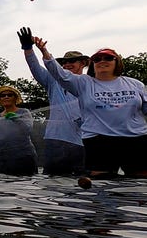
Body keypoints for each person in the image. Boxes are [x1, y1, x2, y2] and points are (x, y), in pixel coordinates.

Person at [35, 39, 147, 179]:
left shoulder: (135, 84)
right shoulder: (83, 83)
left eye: (108, 58)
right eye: (97, 59)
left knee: (139, 184)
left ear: (117, 62)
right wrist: (44, 52)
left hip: (135, 139)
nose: (102, 61)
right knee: (102, 185)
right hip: (99, 141)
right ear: (93, 64)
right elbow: (59, 74)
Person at [18, 27, 86, 175]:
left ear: (83, 63)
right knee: (53, 183)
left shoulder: (89, 83)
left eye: (72, 61)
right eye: (64, 62)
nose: (67, 64)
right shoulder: (53, 80)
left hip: (82, 142)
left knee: (81, 184)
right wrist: (28, 49)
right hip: (55, 139)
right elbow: (35, 67)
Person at [0, 85, 38, 175]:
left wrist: (17, 119)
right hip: (2, 158)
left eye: (9, 95)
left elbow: (28, 129)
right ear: (0, 99)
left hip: (23, 156)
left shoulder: (23, 112)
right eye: (3, 95)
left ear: (15, 98)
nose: (6, 97)